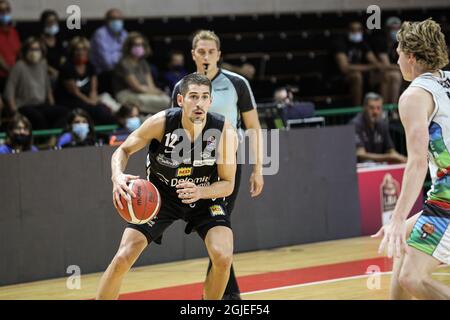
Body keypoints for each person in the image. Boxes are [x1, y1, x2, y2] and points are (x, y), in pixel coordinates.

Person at [96, 73, 238, 300]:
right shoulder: (161, 123)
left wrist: (201, 191)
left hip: (204, 197)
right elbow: (122, 150)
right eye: (193, 96)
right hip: (160, 198)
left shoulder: (224, 132)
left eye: (204, 97)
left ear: (210, 101)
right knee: (124, 257)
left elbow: (228, 184)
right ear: (181, 100)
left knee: (222, 257)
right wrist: (117, 176)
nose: (199, 103)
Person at [171, 30, 264, 300]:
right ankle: (226, 293)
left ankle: (227, 295)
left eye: (211, 52)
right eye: (201, 52)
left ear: (219, 55)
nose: (206, 57)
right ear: (193, 55)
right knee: (217, 228)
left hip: (227, 165)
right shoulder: (182, 88)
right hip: (196, 166)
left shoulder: (237, 83)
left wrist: (259, 168)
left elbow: (254, 127)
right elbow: (175, 130)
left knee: (220, 222)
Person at [372, 19, 450, 300]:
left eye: (399, 50)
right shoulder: (446, 81)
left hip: (448, 195)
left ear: (412, 56)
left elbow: (417, 162)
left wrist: (396, 217)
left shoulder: (415, 95)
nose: (396, 56)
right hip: (444, 192)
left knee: (411, 277)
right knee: (403, 238)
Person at [3, 37, 69, 130]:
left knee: (64, 112)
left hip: (40, 105)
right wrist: (14, 113)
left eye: (37, 49)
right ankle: (43, 141)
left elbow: (47, 88)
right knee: (38, 117)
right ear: (25, 51)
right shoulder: (19, 66)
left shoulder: (43, 64)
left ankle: (52, 137)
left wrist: (52, 105)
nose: (34, 52)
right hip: (23, 106)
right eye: (32, 49)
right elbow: (9, 93)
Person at [333, 21, 402, 106]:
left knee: (387, 75)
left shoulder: (362, 43)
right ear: (347, 31)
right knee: (356, 76)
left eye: (358, 30)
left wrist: (376, 66)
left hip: (365, 76)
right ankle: (357, 110)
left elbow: (376, 64)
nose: (356, 33)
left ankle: (386, 111)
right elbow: (344, 67)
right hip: (340, 77)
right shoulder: (340, 43)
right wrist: (369, 67)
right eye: (353, 30)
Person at [57, 36, 116, 125]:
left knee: (105, 106)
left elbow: (93, 89)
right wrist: (91, 102)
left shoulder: (90, 66)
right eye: (78, 49)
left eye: (84, 49)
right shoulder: (67, 67)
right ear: (72, 51)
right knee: (96, 110)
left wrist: (93, 99)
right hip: (71, 100)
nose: (81, 52)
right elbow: (75, 92)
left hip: (88, 98)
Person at [113, 32, 171, 115]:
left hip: (145, 92)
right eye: (136, 45)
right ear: (129, 47)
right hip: (126, 93)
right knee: (161, 102)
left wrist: (158, 92)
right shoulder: (124, 63)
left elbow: (151, 85)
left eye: (141, 45)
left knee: (167, 99)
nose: (139, 47)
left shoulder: (143, 63)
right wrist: (154, 92)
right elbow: (136, 87)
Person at [350, 92, 406, 164]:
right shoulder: (356, 124)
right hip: (360, 167)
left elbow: (391, 150)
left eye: (378, 108)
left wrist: (402, 159)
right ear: (364, 108)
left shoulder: (382, 124)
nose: (375, 112)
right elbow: (360, 154)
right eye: (372, 108)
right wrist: (389, 157)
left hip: (379, 165)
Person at [39, 10, 66, 85]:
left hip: (59, 70)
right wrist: (52, 71)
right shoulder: (40, 41)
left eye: (55, 21)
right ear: (43, 24)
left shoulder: (59, 39)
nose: (52, 24)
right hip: (46, 73)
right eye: (49, 22)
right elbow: (40, 61)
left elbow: (63, 56)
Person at [0, 0, 20, 92]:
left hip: (15, 74)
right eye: (1, 11)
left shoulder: (14, 32)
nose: (4, 13)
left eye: (7, 10)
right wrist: (12, 72)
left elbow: (19, 52)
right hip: (3, 76)